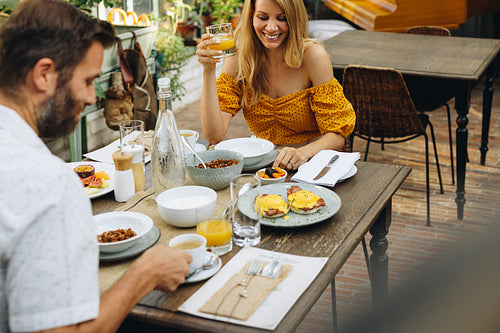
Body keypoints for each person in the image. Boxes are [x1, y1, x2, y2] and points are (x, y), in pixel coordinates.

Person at [0, 1, 191, 332]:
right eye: (88, 80)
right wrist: (144, 275)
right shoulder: (48, 184)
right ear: (44, 74)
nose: (92, 97)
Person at [196, 0, 356, 171]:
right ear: (251, 17)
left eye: (282, 18)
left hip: (311, 162)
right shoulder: (239, 58)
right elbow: (213, 136)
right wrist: (208, 70)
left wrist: (303, 153)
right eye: (263, 17)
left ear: (294, 20)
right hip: (262, 163)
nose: (271, 27)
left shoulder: (312, 56)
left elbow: (338, 135)